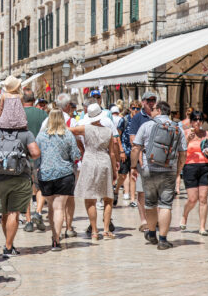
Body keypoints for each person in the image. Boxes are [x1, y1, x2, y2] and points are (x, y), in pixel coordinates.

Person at [0, 103, 40, 258]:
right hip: (20, 177)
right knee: (14, 212)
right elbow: (36, 153)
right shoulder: (25, 134)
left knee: (4, 212)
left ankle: (9, 243)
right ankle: (8, 247)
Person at [130, 101, 187, 250]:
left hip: (149, 169)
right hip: (169, 170)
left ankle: (151, 234)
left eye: (154, 109)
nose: (151, 111)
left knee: (150, 203)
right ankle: (163, 240)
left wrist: (133, 166)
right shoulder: (177, 128)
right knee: (165, 205)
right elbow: (183, 153)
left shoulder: (146, 126)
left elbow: (136, 148)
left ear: (160, 110)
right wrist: (178, 170)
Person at [71, 104, 117, 241]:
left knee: (90, 197)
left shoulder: (85, 128)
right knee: (108, 197)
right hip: (104, 161)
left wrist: (79, 144)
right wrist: (115, 170)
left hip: (89, 160)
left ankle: (95, 231)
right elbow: (113, 153)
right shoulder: (108, 131)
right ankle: (107, 230)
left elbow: (69, 130)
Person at [36, 109, 81, 251]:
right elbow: (75, 155)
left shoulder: (42, 136)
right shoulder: (68, 135)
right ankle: (56, 240)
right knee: (60, 208)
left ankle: (54, 235)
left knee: (50, 207)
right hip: (64, 174)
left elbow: (36, 153)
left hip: (46, 174)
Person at [180, 110, 208, 235]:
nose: (197, 122)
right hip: (189, 167)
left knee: (203, 198)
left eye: (200, 119)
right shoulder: (185, 133)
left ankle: (202, 227)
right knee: (192, 199)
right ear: (190, 121)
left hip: (205, 167)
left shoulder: (207, 134)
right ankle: (185, 215)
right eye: (195, 119)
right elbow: (179, 151)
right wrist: (187, 140)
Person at [128, 91, 157, 232]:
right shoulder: (138, 118)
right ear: (143, 101)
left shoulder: (158, 116)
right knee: (142, 192)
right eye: (149, 100)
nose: (151, 102)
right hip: (142, 157)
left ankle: (154, 219)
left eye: (154, 100)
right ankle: (144, 220)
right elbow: (133, 139)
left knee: (156, 191)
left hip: (158, 159)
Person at [21, 89, 48, 232]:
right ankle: (38, 212)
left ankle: (28, 221)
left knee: (26, 188)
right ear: (34, 99)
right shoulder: (43, 113)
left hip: (23, 155)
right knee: (40, 186)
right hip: (39, 153)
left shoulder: (19, 114)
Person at [117, 101, 140, 202]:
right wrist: (121, 151)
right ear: (130, 108)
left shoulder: (140, 120)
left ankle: (132, 199)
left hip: (136, 151)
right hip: (125, 151)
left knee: (133, 174)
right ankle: (117, 189)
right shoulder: (124, 120)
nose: (135, 110)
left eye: (138, 108)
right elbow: (117, 136)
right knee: (123, 175)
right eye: (133, 108)